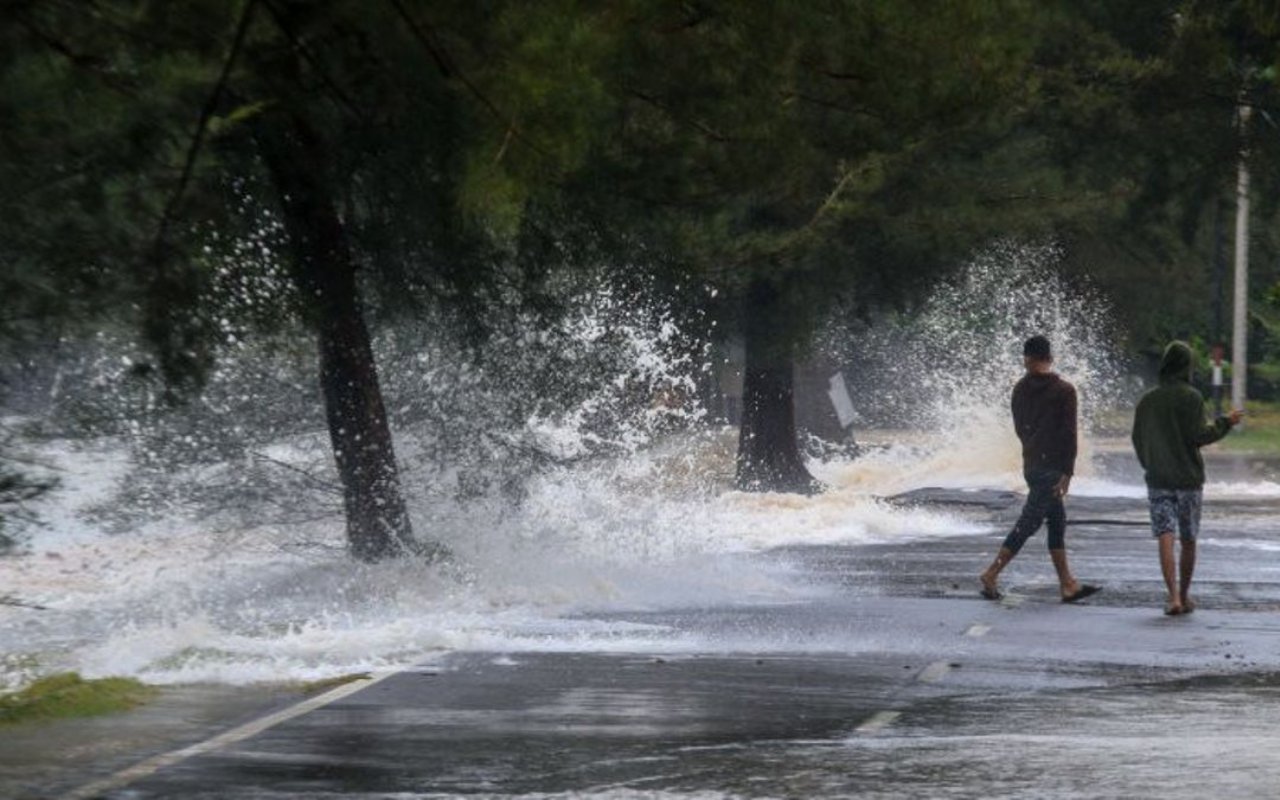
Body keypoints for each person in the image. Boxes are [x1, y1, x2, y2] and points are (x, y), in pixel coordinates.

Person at [980, 335, 1100, 603]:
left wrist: (1033, 449)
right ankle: (991, 573)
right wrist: (1067, 472)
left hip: (1032, 463)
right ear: (1049, 358)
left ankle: (1068, 583)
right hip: (1052, 469)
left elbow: (1019, 428)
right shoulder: (1064, 390)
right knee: (1029, 522)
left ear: (1028, 359)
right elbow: (1069, 435)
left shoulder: (1020, 389)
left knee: (1057, 522)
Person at [1131, 341, 1242, 616]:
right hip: (1188, 479)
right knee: (1188, 537)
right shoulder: (1191, 397)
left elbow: (1137, 438)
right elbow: (1200, 435)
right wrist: (1226, 421)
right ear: (1187, 366)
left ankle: (1172, 598)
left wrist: (1150, 464)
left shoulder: (1148, 400)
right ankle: (1184, 594)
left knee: (1165, 535)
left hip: (1158, 479)